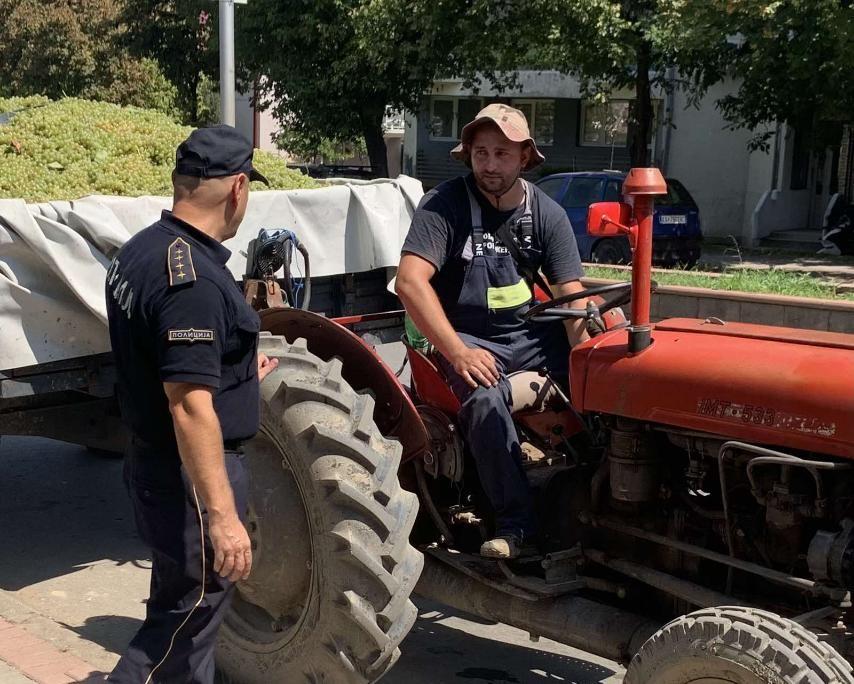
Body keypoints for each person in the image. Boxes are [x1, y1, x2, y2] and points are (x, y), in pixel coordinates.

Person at [105, 125, 279, 683]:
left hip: (157, 465)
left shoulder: (144, 249)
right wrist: (222, 518)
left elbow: (162, 358)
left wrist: (230, 368)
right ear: (237, 189)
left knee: (180, 611)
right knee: (181, 633)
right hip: (190, 481)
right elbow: (189, 409)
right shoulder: (194, 282)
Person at [395, 104, 587, 560]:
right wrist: (457, 352)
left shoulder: (548, 214)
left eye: (502, 153)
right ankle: (517, 525)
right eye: (481, 153)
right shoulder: (445, 205)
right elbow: (409, 281)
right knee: (484, 397)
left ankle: (594, 493)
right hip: (466, 337)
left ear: (524, 158)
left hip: (530, 335)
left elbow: (572, 298)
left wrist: (589, 356)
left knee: (600, 380)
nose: (490, 164)